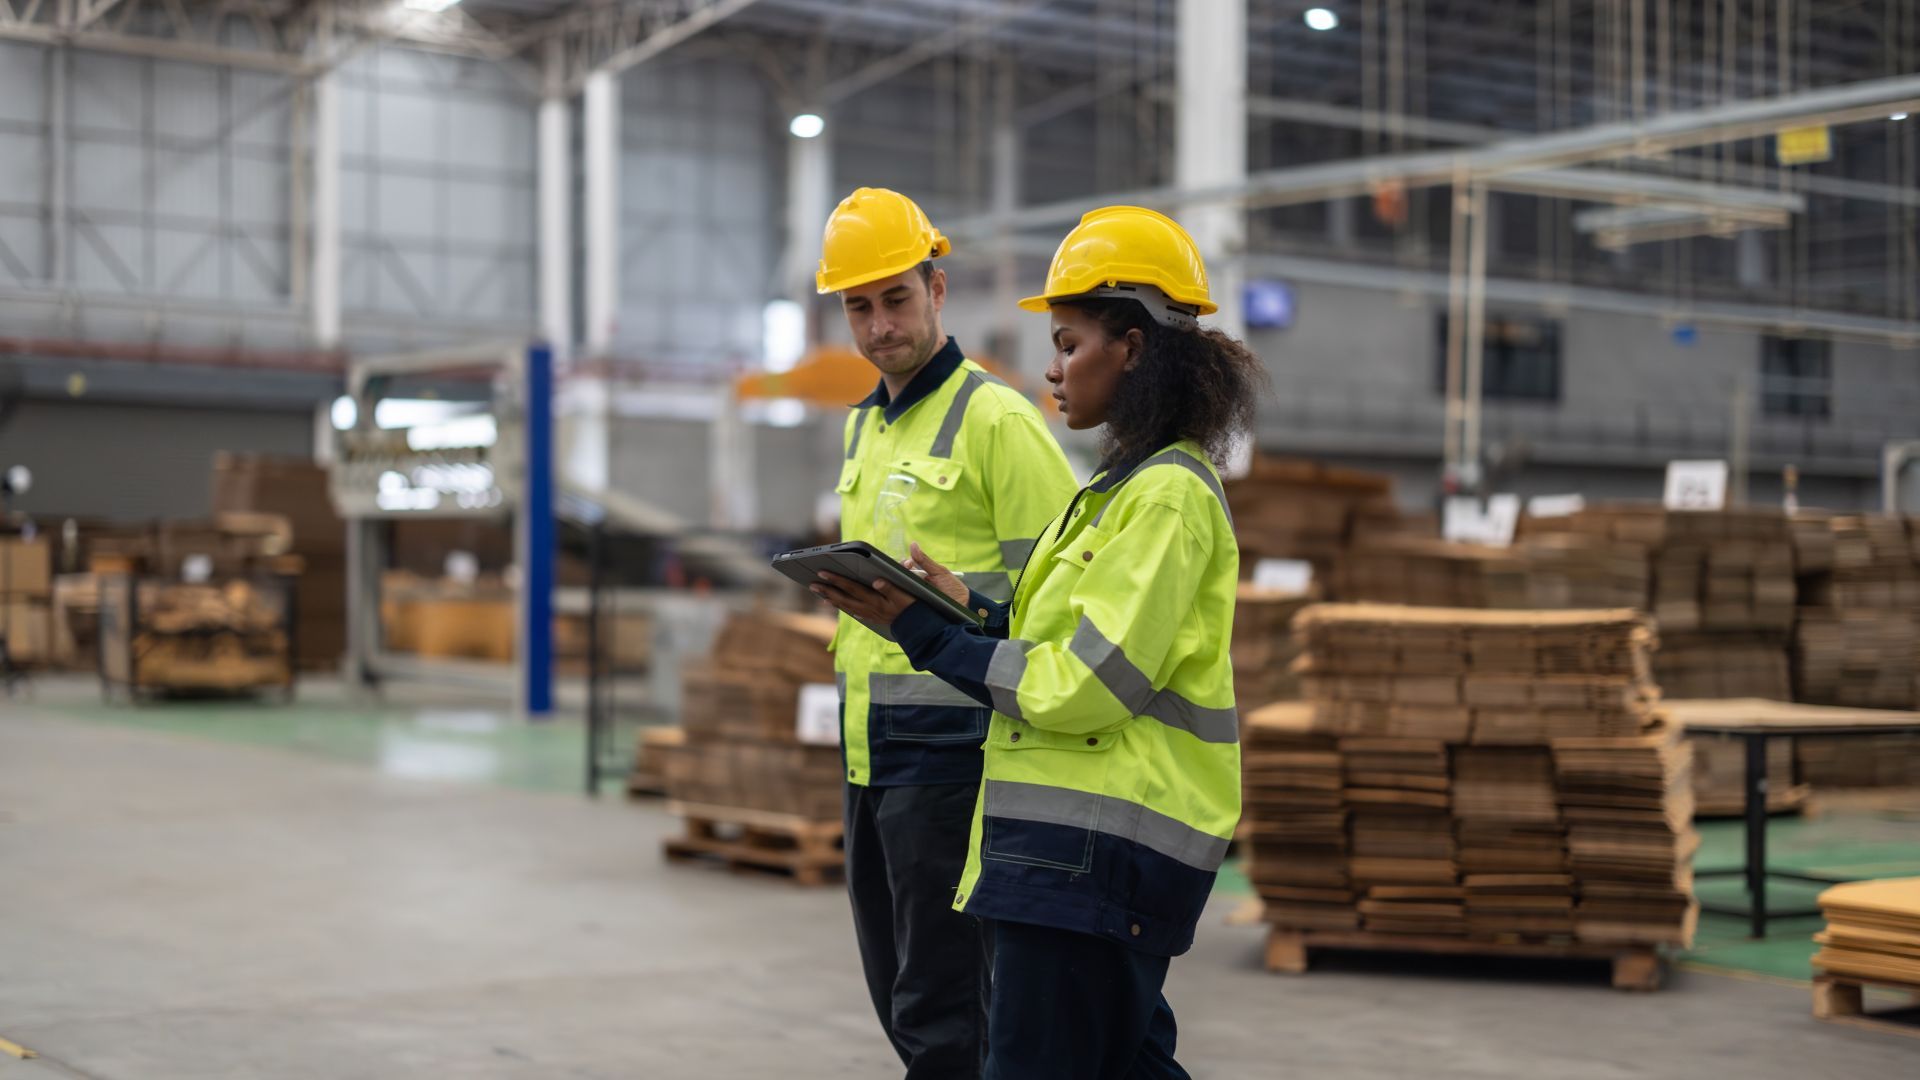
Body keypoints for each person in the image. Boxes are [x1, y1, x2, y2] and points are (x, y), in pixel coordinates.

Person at [811, 205, 1263, 1079]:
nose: (1049, 371)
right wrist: (964, 611)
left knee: (987, 1039)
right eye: (857, 306)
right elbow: (1048, 628)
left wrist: (925, 633)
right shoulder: (1116, 491)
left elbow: (1082, 684)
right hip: (1042, 829)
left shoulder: (1161, 496)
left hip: (1087, 844)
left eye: (1067, 344)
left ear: (1132, 347)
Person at [816, 186, 1079, 1079]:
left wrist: (964, 607)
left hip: (955, 751)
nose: (880, 325)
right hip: (870, 754)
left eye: (895, 298)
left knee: (947, 1008)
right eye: (859, 306)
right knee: (901, 993)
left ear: (937, 286)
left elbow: (1062, 602)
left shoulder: (998, 420)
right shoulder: (865, 425)